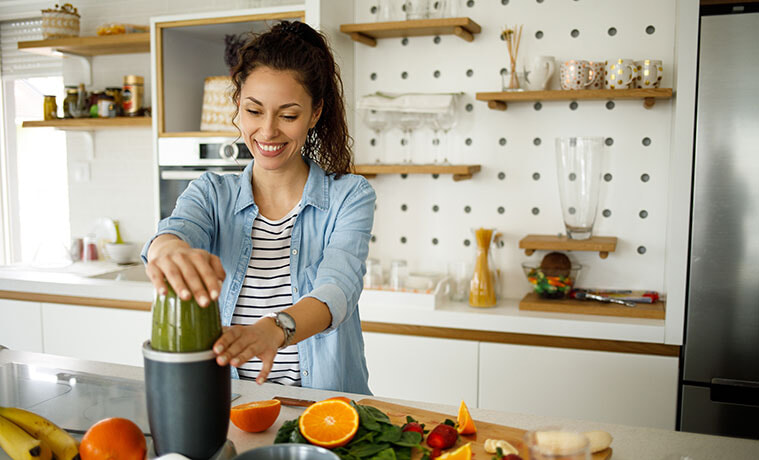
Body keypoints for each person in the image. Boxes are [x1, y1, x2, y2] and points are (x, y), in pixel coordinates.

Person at [141, 20, 375, 395]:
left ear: (314, 114)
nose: (267, 132)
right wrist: (168, 251)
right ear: (237, 107)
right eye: (254, 111)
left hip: (324, 409)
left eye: (288, 115)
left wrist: (275, 329)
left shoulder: (349, 196)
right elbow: (175, 231)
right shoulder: (211, 193)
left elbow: (338, 290)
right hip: (232, 408)